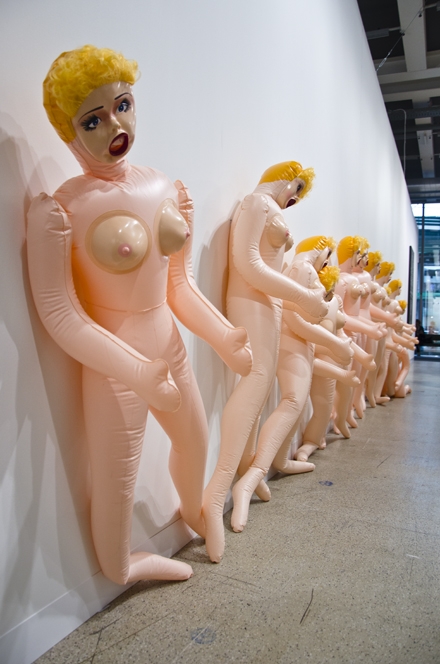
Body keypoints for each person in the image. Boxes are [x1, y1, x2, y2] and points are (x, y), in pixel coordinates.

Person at [26, 45, 252, 584]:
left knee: (196, 441)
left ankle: (195, 511)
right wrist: (135, 371)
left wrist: (223, 336)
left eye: (122, 106)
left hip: (167, 347)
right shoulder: (61, 209)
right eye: (93, 120)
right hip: (115, 368)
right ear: (69, 133)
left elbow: (178, 285)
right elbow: (60, 315)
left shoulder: (161, 187)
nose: (115, 126)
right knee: (117, 481)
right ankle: (123, 566)